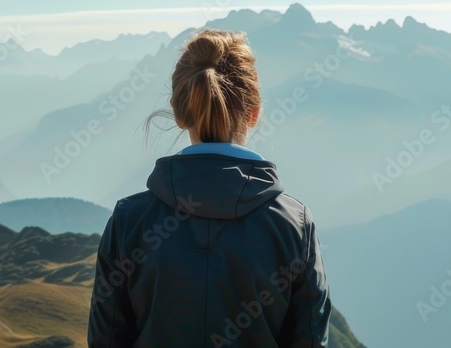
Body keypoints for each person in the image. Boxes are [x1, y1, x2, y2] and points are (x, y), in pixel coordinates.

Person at [87, 28, 332, 347]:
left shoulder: (128, 221)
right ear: (254, 113)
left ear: (179, 113)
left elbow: (106, 341)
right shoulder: (294, 226)